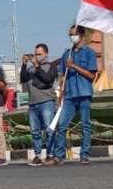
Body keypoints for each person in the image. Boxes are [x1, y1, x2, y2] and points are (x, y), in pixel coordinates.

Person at [48, 25, 98, 166]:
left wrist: (74, 66)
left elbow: (91, 75)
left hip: (84, 93)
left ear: (81, 35)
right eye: (70, 34)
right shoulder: (67, 54)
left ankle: (84, 155)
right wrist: (60, 95)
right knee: (62, 125)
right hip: (69, 95)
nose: (72, 37)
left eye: (74, 34)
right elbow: (63, 76)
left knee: (85, 126)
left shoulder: (89, 53)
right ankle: (59, 156)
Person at [20, 44, 58, 166]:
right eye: (35, 54)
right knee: (35, 131)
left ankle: (50, 154)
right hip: (33, 103)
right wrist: (24, 64)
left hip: (46, 101)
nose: (37, 56)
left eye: (39, 54)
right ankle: (37, 155)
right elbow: (23, 79)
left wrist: (37, 66)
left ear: (46, 54)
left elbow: (47, 79)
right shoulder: (31, 68)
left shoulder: (50, 66)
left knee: (49, 129)